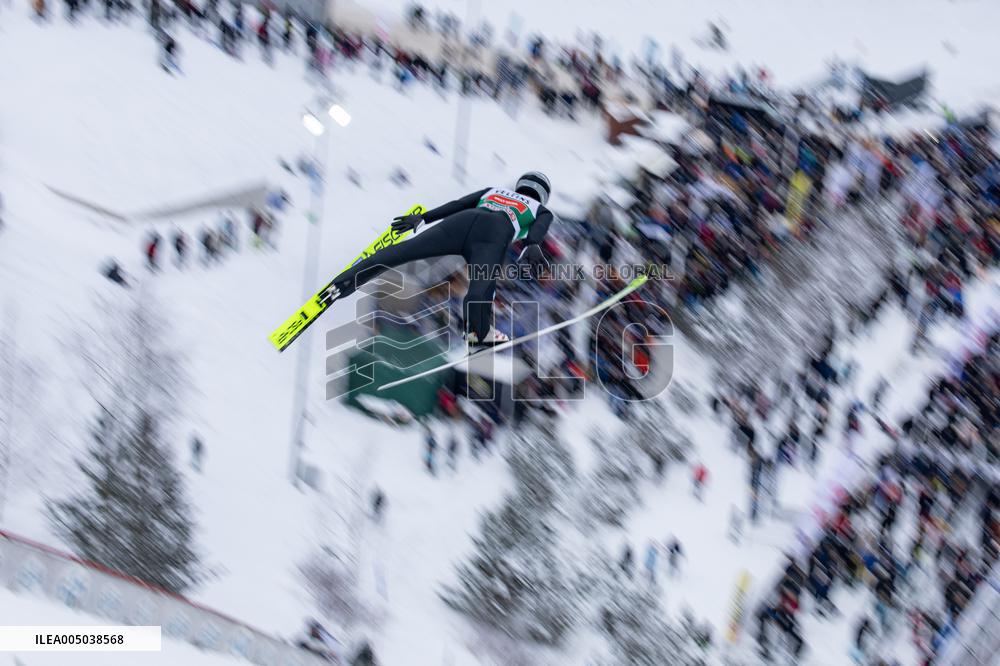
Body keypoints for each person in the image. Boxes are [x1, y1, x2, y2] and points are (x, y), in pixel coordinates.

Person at [320, 173, 555, 347]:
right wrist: (531, 245)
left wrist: (422, 218)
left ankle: (342, 283)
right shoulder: (540, 210)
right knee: (482, 287)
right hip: (493, 234)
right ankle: (477, 331)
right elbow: (538, 231)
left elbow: (457, 205)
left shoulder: (493, 191)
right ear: (543, 195)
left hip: (461, 221)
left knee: (404, 251)